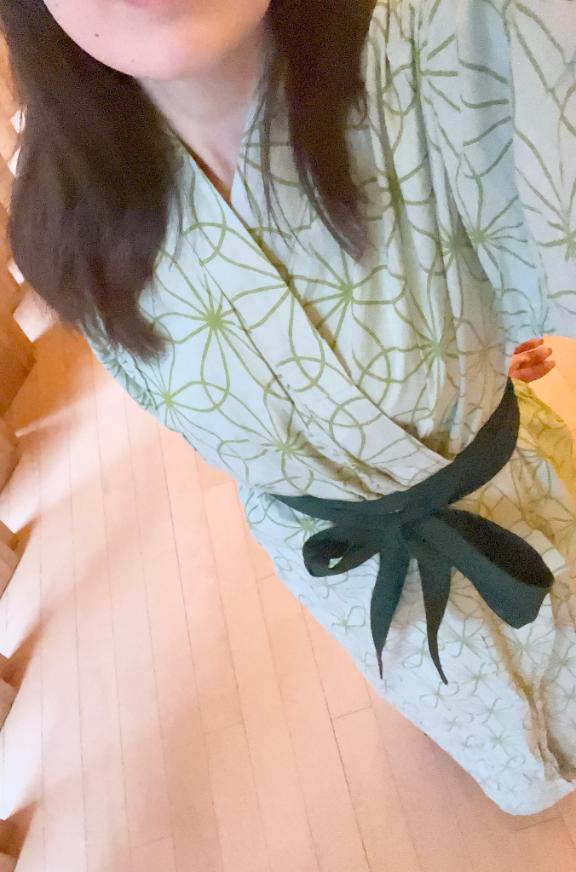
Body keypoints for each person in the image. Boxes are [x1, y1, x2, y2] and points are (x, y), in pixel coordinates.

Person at [1, 0, 575, 816]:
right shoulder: (62, 220)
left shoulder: (438, 44)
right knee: (463, 705)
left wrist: (479, 334)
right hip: (339, 562)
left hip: (512, 492)